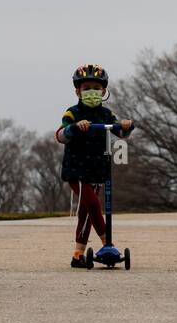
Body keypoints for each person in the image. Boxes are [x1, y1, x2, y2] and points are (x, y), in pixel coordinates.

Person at [55, 64, 133, 268]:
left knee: (86, 213)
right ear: (78, 91)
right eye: (86, 87)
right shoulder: (72, 113)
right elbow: (60, 135)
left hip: (99, 169)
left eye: (96, 88)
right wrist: (74, 128)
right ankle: (108, 244)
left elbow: (121, 133)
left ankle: (78, 255)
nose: (92, 92)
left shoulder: (107, 115)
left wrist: (126, 126)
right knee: (93, 204)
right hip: (76, 170)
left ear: (104, 91)